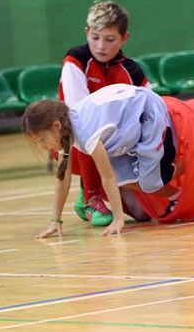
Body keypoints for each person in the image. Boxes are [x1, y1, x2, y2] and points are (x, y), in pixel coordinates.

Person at [25, 84, 182, 239]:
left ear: (56, 125)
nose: (43, 146)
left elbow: (108, 177)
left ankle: (183, 169)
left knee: (148, 183)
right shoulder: (65, 129)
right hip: (127, 114)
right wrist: (56, 220)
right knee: (121, 178)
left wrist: (118, 220)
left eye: (42, 139)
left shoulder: (86, 133)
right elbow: (63, 178)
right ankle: (175, 195)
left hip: (148, 108)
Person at [59, 0, 149, 227]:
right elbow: (78, 117)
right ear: (86, 32)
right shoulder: (75, 61)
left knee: (143, 213)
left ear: (124, 38)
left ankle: (106, 188)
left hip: (117, 143)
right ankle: (91, 196)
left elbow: (152, 111)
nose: (101, 46)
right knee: (87, 130)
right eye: (95, 37)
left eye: (110, 39)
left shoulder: (132, 71)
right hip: (77, 141)